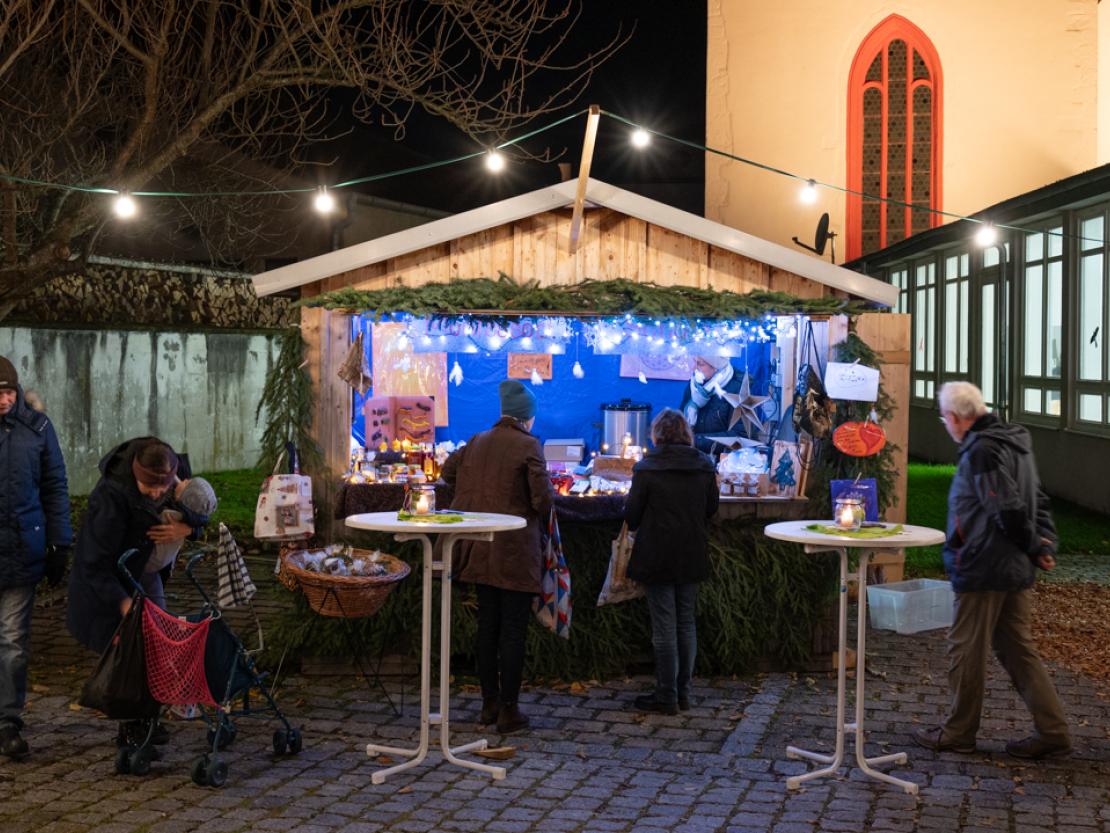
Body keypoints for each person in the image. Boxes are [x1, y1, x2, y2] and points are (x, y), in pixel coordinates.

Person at [914, 382, 1071, 760]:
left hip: (984, 564)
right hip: (1012, 564)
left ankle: (958, 731)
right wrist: (1043, 542)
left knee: (966, 649)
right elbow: (1037, 498)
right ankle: (1053, 731)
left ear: (955, 418)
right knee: (1018, 650)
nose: (945, 425)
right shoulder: (1014, 441)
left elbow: (1007, 507)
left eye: (944, 418)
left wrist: (1035, 544)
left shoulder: (982, 450)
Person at [66, 437, 201, 746]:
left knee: (157, 641)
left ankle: (146, 718)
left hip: (145, 570)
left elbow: (200, 508)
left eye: (162, 489)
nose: (156, 494)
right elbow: (93, 563)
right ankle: (132, 725)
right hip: (109, 581)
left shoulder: (176, 475)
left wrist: (190, 527)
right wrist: (124, 603)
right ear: (136, 475)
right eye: (149, 489)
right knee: (127, 652)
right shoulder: (109, 497)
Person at [440, 380, 554, 734]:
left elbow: (446, 474)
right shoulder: (529, 445)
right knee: (513, 630)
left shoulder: (475, 441)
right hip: (515, 550)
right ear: (527, 418)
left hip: (478, 548)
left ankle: (488, 704)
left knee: (487, 628)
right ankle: (509, 710)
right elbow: (543, 500)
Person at [624, 407, 719, 715]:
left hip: (657, 553)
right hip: (691, 552)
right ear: (686, 433)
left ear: (657, 435)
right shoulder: (704, 466)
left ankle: (666, 696)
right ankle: (684, 693)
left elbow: (632, 517)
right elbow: (711, 509)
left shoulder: (646, 468)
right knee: (685, 622)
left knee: (664, 625)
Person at [0, 356, 72, 760]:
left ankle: (8, 721)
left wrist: (59, 544)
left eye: (8, 392)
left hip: (22, 551)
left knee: (13, 642)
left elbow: (55, 487)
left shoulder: (38, 430)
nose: (4, 400)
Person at [142, 476, 217, 609]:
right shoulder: (185, 512)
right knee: (156, 606)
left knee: (154, 606)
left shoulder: (168, 513)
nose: (185, 479)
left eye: (188, 483)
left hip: (145, 563)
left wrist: (189, 530)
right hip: (152, 566)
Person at [679, 356, 744, 454]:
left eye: (700, 364)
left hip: (724, 463)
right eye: (695, 362)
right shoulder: (693, 386)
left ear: (716, 366)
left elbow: (740, 438)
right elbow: (680, 423)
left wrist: (695, 440)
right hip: (693, 459)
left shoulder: (738, 390)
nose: (694, 368)